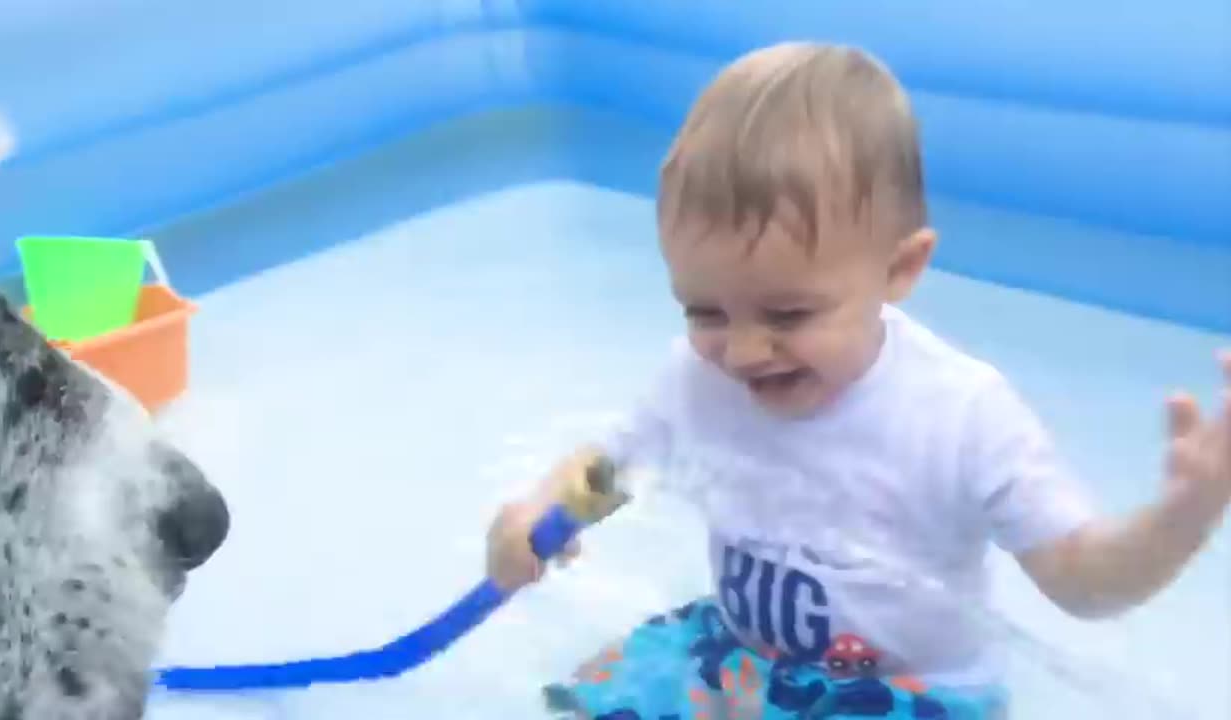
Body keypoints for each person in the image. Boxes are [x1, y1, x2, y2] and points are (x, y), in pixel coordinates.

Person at [485, 42, 1231, 719]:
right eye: (705, 310)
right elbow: (607, 470)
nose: (743, 352)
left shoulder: (962, 416)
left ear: (899, 269)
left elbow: (1081, 582)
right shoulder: (695, 378)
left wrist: (1182, 518)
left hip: (906, 694)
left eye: (787, 312)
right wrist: (534, 515)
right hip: (739, 654)